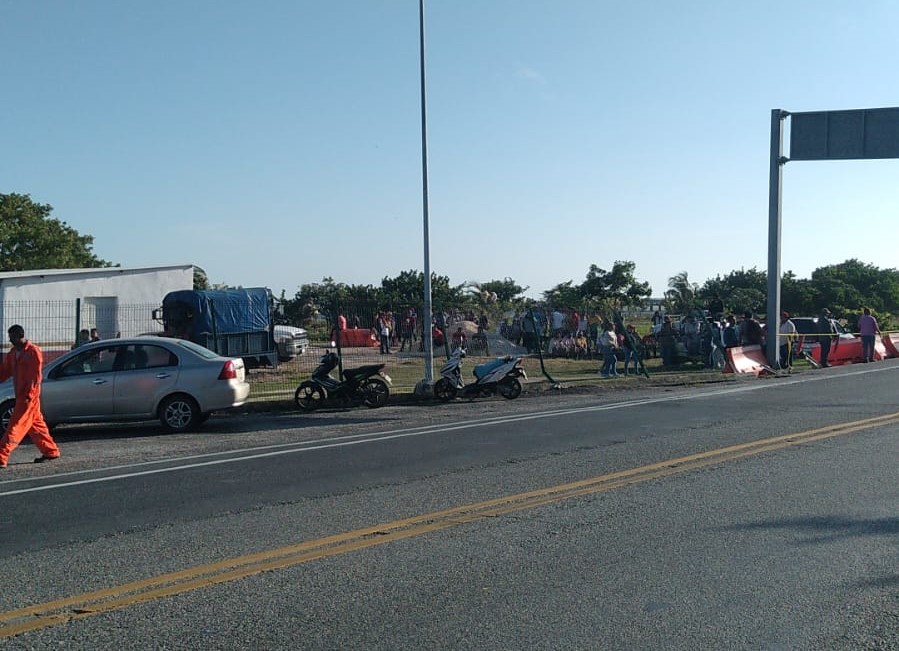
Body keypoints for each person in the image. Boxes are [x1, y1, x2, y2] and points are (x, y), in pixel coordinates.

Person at [0, 325, 61, 468]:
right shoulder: (14, 353)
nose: (10, 340)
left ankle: (2, 456)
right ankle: (50, 451)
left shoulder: (33, 352)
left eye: (12, 337)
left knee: (15, 427)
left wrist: (29, 395)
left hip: (28, 397)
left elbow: (35, 376)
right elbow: (5, 370)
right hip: (24, 397)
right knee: (37, 426)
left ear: (19, 336)